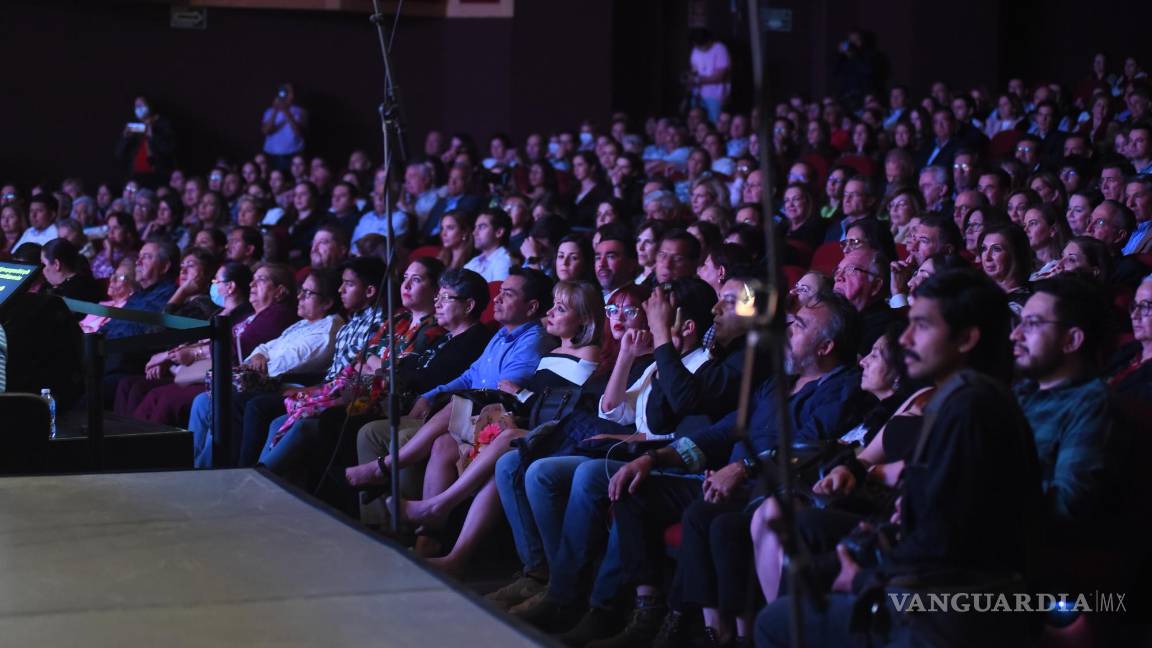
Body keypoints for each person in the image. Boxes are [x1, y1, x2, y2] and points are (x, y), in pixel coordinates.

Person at [756, 269, 1039, 648]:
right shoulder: (957, 399)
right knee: (804, 567)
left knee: (775, 621)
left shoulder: (970, 409)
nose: (904, 339)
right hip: (934, 587)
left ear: (967, 338)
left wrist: (861, 578)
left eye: (920, 326)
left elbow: (944, 551)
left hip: (947, 614)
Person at [577, 292, 868, 647]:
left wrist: (743, 468)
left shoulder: (843, 388)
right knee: (636, 490)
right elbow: (722, 431)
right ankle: (646, 609)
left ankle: (700, 627)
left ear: (825, 347)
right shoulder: (779, 381)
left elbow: (808, 447)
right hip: (727, 478)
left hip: (772, 489)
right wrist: (654, 458)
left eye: (801, 325)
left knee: (707, 517)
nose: (788, 329)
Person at [400, 280, 603, 576]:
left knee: (505, 448)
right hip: (528, 425)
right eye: (553, 307)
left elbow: (568, 406)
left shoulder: (589, 355)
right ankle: (427, 542)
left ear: (584, 319)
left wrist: (520, 393)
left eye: (560, 309)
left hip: (556, 433)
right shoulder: (552, 353)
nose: (551, 313)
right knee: (447, 442)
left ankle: (439, 511)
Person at [342, 266, 550, 502]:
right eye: (499, 291)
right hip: (466, 411)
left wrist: (442, 396)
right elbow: (470, 375)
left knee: (414, 435)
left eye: (508, 294)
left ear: (532, 307)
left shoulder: (532, 341)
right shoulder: (501, 335)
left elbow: (503, 390)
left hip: (493, 418)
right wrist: (430, 395)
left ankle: (392, 483)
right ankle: (379, 523)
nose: (497, 298)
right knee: (369, 432)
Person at [258, 259, 447, 486]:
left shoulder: (436, 328)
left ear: (436, 290)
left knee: (307, 423)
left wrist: (375, 363)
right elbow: (361, 359)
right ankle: (263, 479)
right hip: (355, 389)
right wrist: (375, 363)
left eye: (416, 280)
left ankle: (261, 482)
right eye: (405, 278)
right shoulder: (396, 319)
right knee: (278, 420)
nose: (405, 286)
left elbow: (396, 373)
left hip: (384, 402)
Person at [188, 268, 344, 468]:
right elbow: (263, 347)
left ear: (328, 302)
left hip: (287, 385)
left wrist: (260, 363)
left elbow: (289, 365)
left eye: (307, 293)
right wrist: (259, 356)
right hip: (265, 380)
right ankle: (193, 465)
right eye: (301, 291)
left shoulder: (326, 331)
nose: (300, 297)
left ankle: (215, 470)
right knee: (202, 401)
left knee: (226, 399)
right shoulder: (303, 324)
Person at [114, 96, 175, 184]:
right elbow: (119, 154)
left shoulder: (162, 123)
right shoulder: (133, 127)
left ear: (149, 106)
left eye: (141, 105)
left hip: (158, 175)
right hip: (136, 176)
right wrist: (125, 138)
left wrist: (153, 135)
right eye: (136, 106)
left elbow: (168, 149)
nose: (139, 109)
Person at [79, 257, 138, 334]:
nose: (112, 279)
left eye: (120, 277)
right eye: (114, 274)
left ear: (131, 288)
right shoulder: (103, 305)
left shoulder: (127, 313)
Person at [261, 83, 307, 171]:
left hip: (293, 153)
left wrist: (286, 111)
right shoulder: (269, 111)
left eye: (288, 91)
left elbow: (299, 133)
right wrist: (275, 110)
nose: (285, 94)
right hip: (272, 155)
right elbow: (266, 131)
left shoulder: (300, 111)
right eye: (283, 91)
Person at [40, 239, 102, 304]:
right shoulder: (84, 280)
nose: (42, 270)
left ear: (56, 264)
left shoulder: (67, 295)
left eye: (44, 264)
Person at [688, 28, 731, 122]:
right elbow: (694, 69)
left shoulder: (719, 48)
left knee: (714, 123)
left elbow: (720, 76)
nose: (699, 48)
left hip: (715, 96)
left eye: (700, 45)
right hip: (698, 95)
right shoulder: (695, 50)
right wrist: (691, 79)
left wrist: (699, 80)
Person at [463, 207, 514, 282]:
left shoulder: (504, 262)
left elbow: (498, 293)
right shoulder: (474, 261)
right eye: (475, 227)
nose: (474, 233)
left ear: (499, 232)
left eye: (482, 227)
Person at [593, 228, 639, 302]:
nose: (601, 264)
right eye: (598, 258)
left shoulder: (633, 301)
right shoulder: (595, 298)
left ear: (631, 264)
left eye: (611, 257)